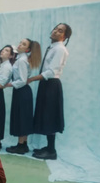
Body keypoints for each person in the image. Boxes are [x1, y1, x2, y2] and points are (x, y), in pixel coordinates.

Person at [27, 23, 72, 160]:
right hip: (46, 84)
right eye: (55, 29)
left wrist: (32, 79)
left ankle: (51, 151)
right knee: (46, 115)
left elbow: (52, 71)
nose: (55, 31)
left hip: (51, 85)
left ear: (65, 36)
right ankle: (49, 147)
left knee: (50, 116)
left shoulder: (60, 49)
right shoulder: (52, 47)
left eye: (60, 31)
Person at [4, 38, 41, 155]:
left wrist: (8, 84)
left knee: (21, 117)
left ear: (28, 49)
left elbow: (23, 80)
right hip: (22, 92)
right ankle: (23, 144)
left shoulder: (21, 61)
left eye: (23, 44)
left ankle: (20, 146)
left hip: (22, 91)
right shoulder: (21, 59)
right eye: (20, 42)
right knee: (24, 117)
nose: (20, 45)